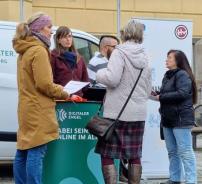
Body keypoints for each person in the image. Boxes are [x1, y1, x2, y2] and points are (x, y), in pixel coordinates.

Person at [12, 12, 69, 184]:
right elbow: (44, 84)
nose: (52, 31)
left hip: (26, 107)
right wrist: (65, 92)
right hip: (38, 109)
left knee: (23, 150)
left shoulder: (25, 50)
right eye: (49, 27)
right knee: (36, 151)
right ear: (38, 29)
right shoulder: (39, 50)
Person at [94, 19, 152, 184]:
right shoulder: (145, 56)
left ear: (124, 33)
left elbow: (112, 79)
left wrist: (99, 74)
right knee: (135, 154)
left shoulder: (119, 52)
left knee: (107, 154)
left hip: (116, 113)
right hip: (139, 113)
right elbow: (147, 90)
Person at [152, 50, 197, 184]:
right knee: (172, 151)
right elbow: (169, 93)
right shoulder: (168, 75)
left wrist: (161, 97)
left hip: (181, 119)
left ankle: (191, 181)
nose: (166, 60)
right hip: (168, 119)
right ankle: (175, 179)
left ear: (178, 61)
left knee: (185, 151)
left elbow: (182, 93)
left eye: (170, 58)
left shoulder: (182, 75)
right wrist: (156, 93)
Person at [50, 26, 89, 96]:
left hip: (78, 99)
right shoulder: (53, 57)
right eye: (64, 37)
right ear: (58, 40)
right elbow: (50, 81)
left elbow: (85, 81)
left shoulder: (79, 58)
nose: (68, 39)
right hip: (61, 98)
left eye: (70, 36)